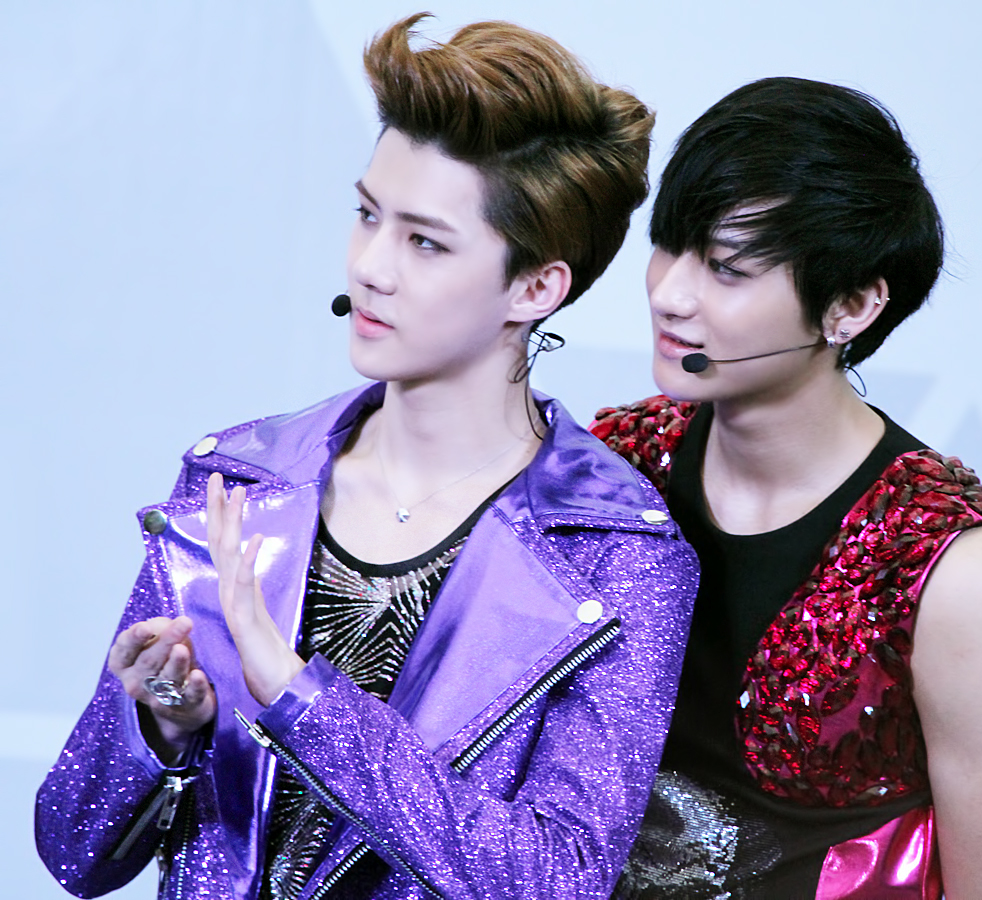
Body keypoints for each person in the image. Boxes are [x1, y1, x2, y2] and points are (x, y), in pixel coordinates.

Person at [36, 14, 698, 900]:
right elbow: (72, 850)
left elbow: (556, 878)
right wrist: (163, 729)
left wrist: (300, 696)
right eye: (367, 216)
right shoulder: (242, 477)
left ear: (535, 286)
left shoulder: (613, 553)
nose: (371, 267)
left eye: (425, 241)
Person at [592, 77, 982, 899]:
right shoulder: (613, 466)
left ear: (850, 306)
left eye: (727, 268)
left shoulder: (951, 566)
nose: (669, 293)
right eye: (669, 245)